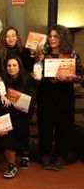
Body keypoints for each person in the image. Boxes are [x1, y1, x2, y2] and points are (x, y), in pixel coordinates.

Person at [34, 24, 83, 170]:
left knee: (64, 124)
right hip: (46, 92)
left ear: (63, 37)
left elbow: (80, 75)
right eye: (50, 36)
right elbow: (37, 72)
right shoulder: (43, 53)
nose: (52, 39)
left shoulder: (73, 54)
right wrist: (39, 76)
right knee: (45, 124)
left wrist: (68, 78)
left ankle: (62, 155)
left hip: (64, 93)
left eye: (55, 36)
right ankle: (45, 154)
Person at [2, 56, 36, 169]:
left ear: (19, 66)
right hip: (10, 110)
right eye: (9, 65)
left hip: (25, 111)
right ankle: (12, 152)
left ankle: (25, 155)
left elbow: (31, 100)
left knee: (22, 128)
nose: (11, 68)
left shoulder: (27, 79)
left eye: (14, 65)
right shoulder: (4, 80)